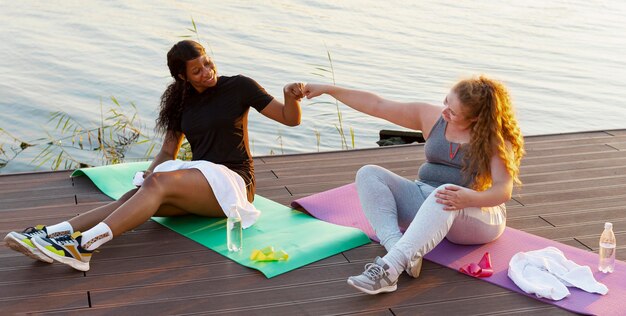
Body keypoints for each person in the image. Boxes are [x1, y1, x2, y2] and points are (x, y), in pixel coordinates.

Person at [4, 40, 305, 271]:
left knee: (156, 186)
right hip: (199, 179)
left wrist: (291, 97)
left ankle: (83, 246)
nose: (207, 72)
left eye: (208, 63)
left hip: (235, 182)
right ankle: (50, 234)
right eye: (197, 70)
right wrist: (150, 175)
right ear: (182, 77)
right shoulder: (181, 103)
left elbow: (289, 119)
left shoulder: (239, 86)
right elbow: (167, 151)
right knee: (132, 196)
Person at [304, 75, 524, 294]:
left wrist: (468, 198)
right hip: (428, 199)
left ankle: (390, 270)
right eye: (446, 101)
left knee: (444, 193)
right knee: (368, 173)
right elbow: (377, 105)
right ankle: (395, 246)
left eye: (453, 112)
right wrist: (328, 89)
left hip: (478, 214)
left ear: (476, 118)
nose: (444, 111)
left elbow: (503, 190)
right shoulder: (433, 117)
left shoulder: (496, 140)